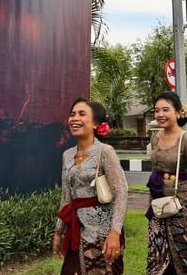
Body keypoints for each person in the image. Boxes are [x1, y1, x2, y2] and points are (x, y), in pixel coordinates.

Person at [53, 98, 128, 274]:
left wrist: (115, 232)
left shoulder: (105, 152)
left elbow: (121, 192)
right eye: (72, 114)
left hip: (103, 234)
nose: (74, 118)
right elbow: (66, 198)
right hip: (76, 232)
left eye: (81, 113)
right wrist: (58, 232)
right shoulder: (67, 155)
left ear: (95, 124)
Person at [146, 92, 187, 274]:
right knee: (157, 253)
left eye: (165, 110)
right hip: (158, 204)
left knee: (185, 255)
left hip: (182, 204)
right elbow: (155, 170)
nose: (160, 114)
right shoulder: (155, 137)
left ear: (177, 112)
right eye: (157, 110)